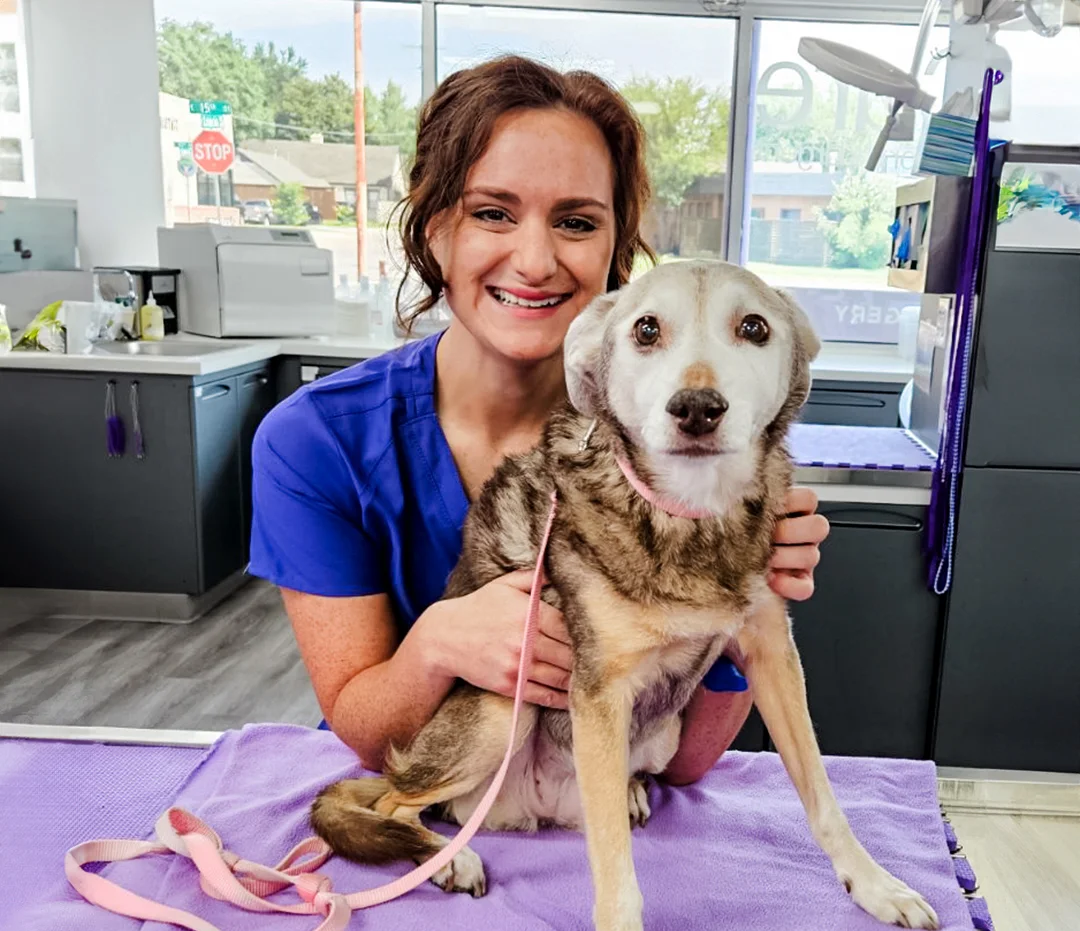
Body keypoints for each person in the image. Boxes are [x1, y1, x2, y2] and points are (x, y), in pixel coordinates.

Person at [248, 55, 828, 786]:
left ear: (617, 252)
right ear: (434, 231)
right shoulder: (317, 444)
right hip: (436, 806)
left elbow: (679, 767)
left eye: (576, 222)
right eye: (492, 213)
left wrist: (743, 613)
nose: (535, 259)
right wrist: (436, 646)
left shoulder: (677, 448)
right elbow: (368, 739)